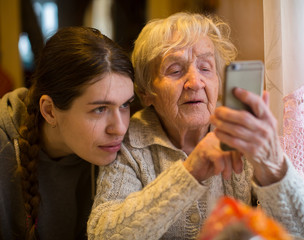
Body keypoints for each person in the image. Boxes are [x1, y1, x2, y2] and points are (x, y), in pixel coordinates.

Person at [87, 12, 304, 239]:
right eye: (175, 70)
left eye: (205, 68)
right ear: (146, 93)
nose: (195, 82)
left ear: (219, 82)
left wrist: (274, 169)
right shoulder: (130, 141)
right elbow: (102, 234)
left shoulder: (242, 131)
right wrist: (190, 172)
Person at [0, 26, 134, 240]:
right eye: (99, 109)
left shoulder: (126, 148)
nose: (119, 128)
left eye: (126, 105)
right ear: (49, 111)